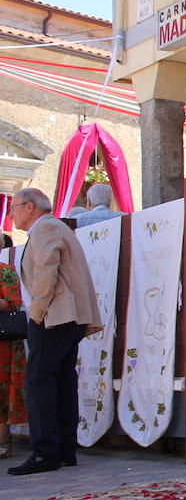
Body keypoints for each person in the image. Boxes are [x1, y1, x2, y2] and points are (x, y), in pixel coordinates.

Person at [8, 188, 101, 475]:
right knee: (60, 381)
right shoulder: (53, 227)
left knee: (39, 382)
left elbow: (46, 270)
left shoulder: (46, 227)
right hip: (64, 318)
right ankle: (63, 450)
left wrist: (36, 313)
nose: (11, 214)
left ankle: (45, 452)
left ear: (30, 207)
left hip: (53, 317)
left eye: (14, 207)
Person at [0, 232, 25, 459]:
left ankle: (3, 441)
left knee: (1, 389)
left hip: (2, 343)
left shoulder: (4, 270)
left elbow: (13, 303)